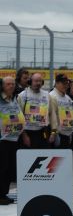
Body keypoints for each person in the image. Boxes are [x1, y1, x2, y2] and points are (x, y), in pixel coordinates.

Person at [0, 77, 26, 205]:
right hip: (2, 139)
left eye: (12, 84)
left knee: (10, 169)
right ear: (2, 86)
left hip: (14, 138)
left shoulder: (14, 98)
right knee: (2, 168)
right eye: (8, 84)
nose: (11, 86)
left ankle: (4, 193)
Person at [17, 72, 50, 148]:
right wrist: (24, 136)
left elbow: (52, 115)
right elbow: (18, 118)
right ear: (30, 82)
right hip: (27, 132)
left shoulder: (47, 95)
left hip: (42, 132)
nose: (38, 83)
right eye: (36, 81)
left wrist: (53, 133)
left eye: (40, 81)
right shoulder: (22, 95)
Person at [48, 73, 73, 148]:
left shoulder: (68, 98)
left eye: (67, 83)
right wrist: (54, 134)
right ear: (56, 83)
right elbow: (52, 119)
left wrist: (70, 132)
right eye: (63, 83)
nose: (66, 85)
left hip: (67, 134)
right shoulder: (52, 96)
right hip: (57, 135)